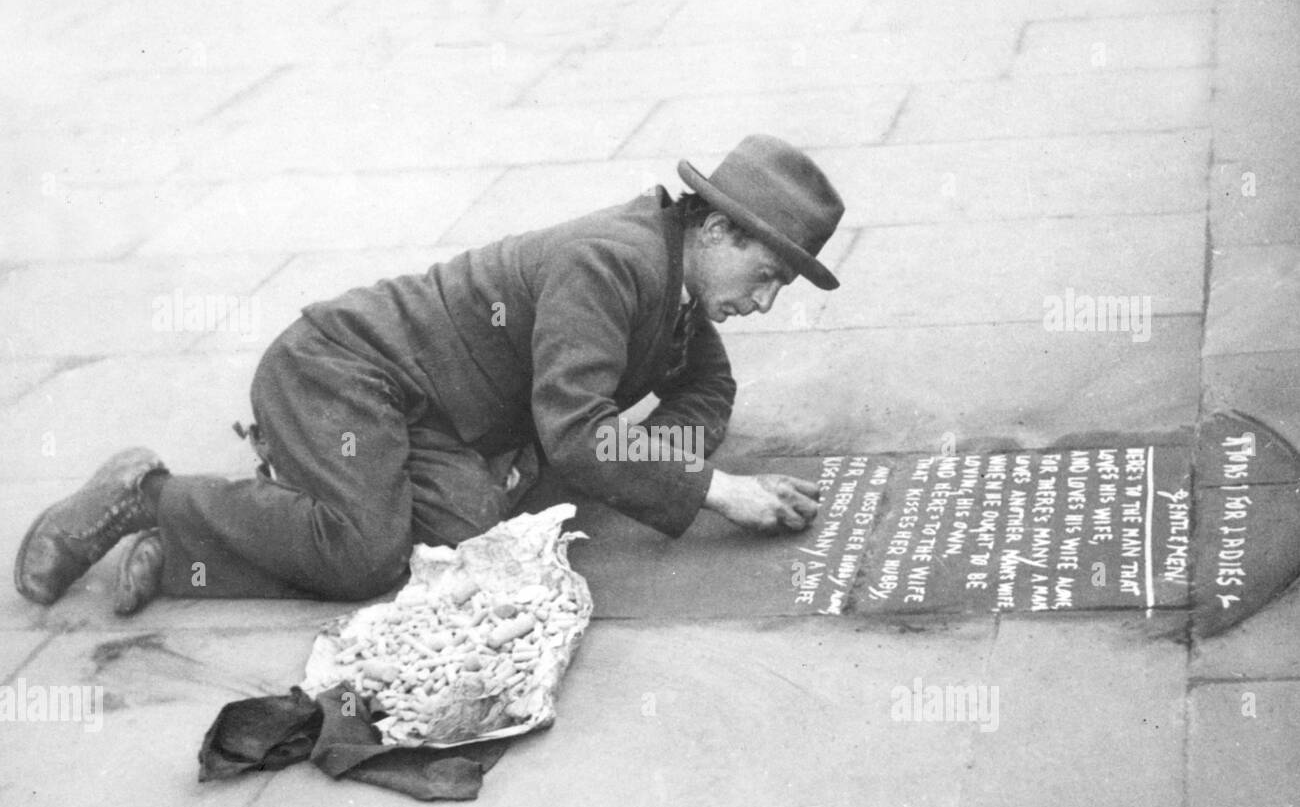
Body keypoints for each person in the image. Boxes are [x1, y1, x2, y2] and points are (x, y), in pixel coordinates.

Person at [15, 134, 844, 615]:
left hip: (430, 415)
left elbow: (709, 392)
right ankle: (147, 492)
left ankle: (187, 553)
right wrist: (710, 488)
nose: (766, 303)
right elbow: (574, 431)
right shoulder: (613, 263)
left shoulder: (681, 285)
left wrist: (654, 466)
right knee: (371, 554)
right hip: (342, 371)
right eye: (768, 276)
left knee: (479, 531)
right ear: (720, 230)